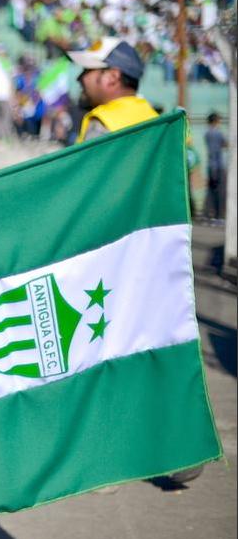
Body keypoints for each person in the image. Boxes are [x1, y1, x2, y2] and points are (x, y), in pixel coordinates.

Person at [70, 36, 204, 488]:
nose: (80, 80)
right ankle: (184, 443)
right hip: (160, 255)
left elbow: (86, 194)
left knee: (104, 352)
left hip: (111, 257)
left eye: (87, 72)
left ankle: (111, 455)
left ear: (111, 77)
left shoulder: (103, 122)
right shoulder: (162, 122)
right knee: (159, 348)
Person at [68, 37, 157, 143]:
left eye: (87, 70)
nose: (79, 78)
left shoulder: (102, 124)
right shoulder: (156, 120)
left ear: (113, 77)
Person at [204, 112, 227, 221]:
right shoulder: (217, 133)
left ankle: (209, 214)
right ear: (216, 121)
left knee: (211, 190)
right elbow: (225, 144)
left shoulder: (207, 133)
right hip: (218, 165)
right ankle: (218, 215)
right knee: (220, 190)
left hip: (211, 165)